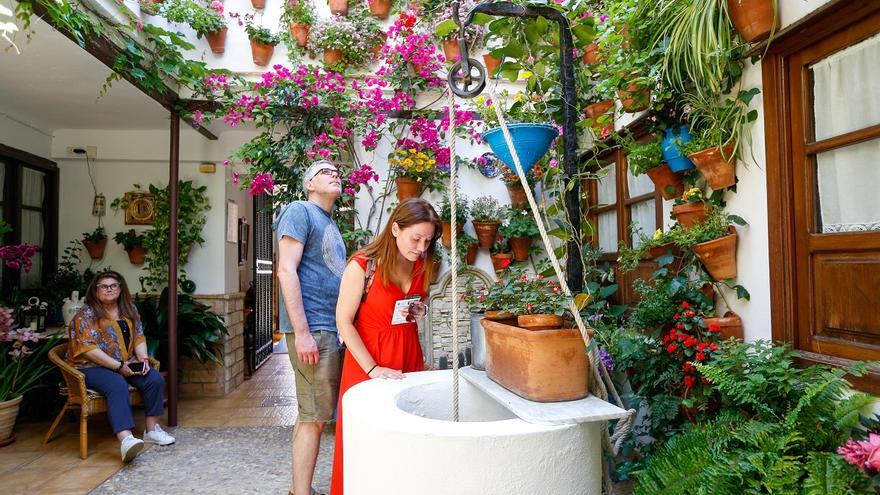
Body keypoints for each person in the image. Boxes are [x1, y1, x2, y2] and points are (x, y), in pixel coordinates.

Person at [329, 198, 439, 495]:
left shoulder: (423, 264)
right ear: (395, 229)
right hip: (368, 361)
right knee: (366, 443)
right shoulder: (363, 266)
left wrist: (421, 310)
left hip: (408, 356)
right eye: (415, 238)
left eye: (427, 241)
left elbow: (419, 301)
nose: (421, 247)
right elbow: (343, 322)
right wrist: (373, 368)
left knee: (409, 440)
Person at [274, 159, 347, 495]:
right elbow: (286, 270)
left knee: (312, 415)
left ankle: (298, 489)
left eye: (337, 171)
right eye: (325, 172)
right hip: (314, 328)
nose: (335, 174)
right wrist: (302, 333)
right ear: (309, 183)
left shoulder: (328, 221)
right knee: (314, 417)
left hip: (327, 328)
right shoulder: (299, 210)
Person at [66, 270, 175, 463]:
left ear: (120, 288)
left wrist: (142, 357)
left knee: (154, 379)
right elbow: (88, 349)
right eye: (103, 286)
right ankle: (126, 440)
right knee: (117, 384)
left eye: (113, 285)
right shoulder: (85, 314)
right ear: (95, 290)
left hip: (125, 362)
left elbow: (139, 336)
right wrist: (117, 366)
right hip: (90, 367)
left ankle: (151, 430)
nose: (109, 289)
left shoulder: (129, 309)